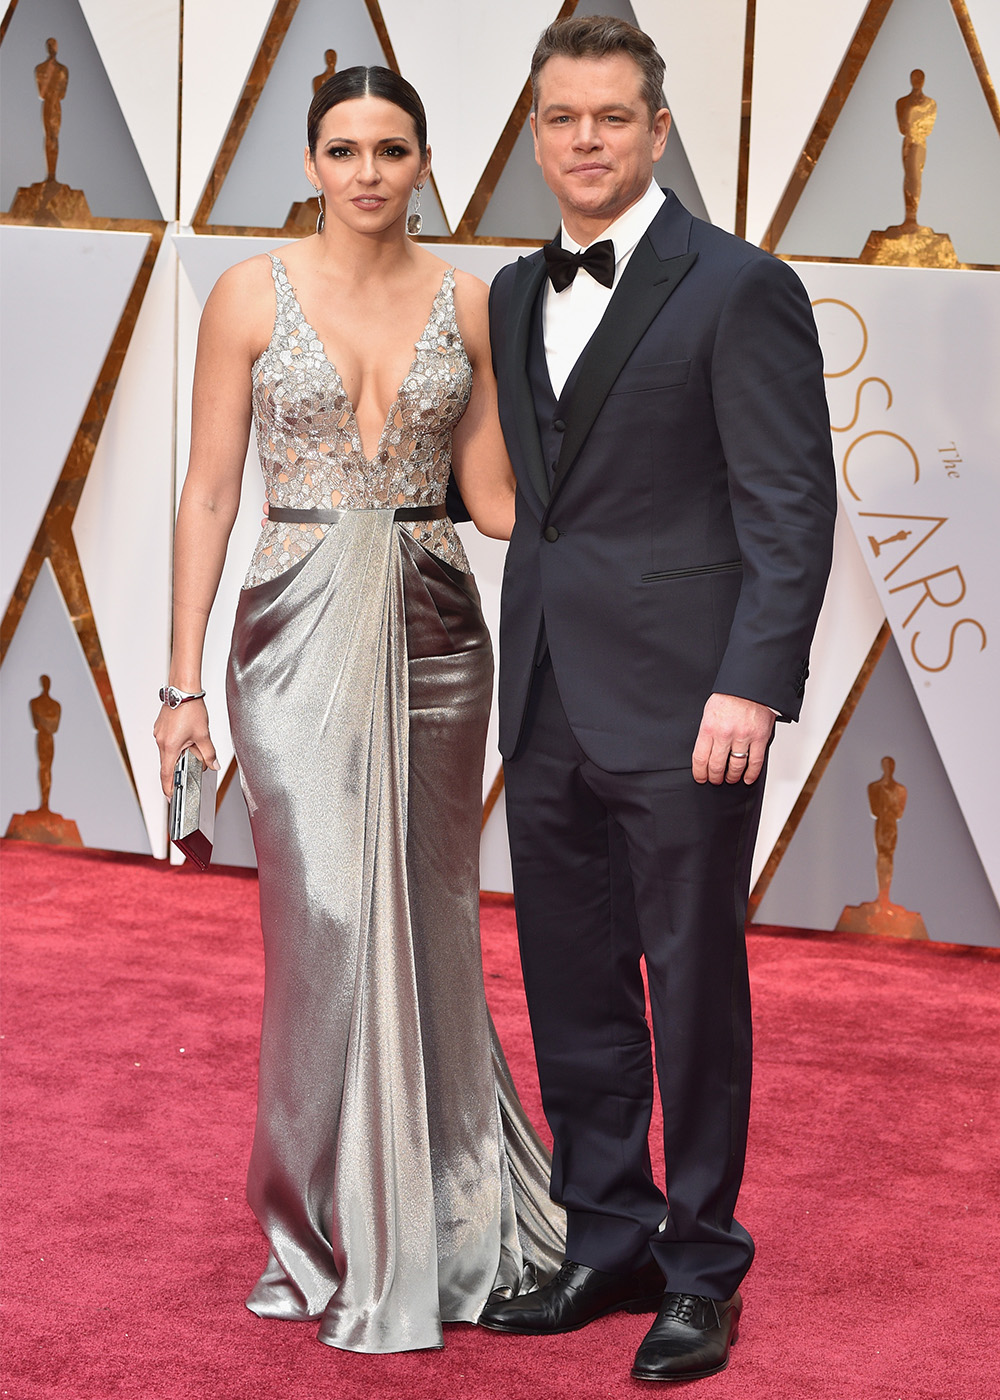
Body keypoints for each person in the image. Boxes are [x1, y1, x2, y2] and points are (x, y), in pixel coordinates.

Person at [154, 65, 563, 1355]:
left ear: (426, 163)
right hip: (289, 632)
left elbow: (496, 500)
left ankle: (446, 1213)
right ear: (315, 162)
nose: (370, 173)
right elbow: (210, 493)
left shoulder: (474, 301)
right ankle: (313, 1219)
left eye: (393, 150)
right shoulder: (244, 292)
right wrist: (178, 687)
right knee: (327, 915)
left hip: (439, 628)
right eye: (345, 150)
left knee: (433, 915)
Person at [479, 16, 836, 1383]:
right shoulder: (516, 290)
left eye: (611, 119)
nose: (585, 141)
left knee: (691, 988)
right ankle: (607, 1233)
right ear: (534, 136)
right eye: (562, 119)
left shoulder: (738, 287)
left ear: (657, 131)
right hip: (551, 688)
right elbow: (544, 503)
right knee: (572, 979)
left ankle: (702, 1265)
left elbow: (788, 504)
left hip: (693, 705)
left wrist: (753, 681)